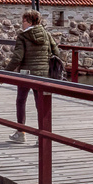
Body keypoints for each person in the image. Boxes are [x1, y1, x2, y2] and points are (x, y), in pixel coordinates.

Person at [4, 11, 59, 143]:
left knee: (21, 101)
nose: (21, 24)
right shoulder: (47, 35)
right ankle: (43, 136)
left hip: (26, 74)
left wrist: (5, 73)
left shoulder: (23, 36)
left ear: (29, 22)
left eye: (23, 21)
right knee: (40, 104)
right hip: (43, 74)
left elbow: (17, 57)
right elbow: (56, 52)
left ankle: (21, 132)